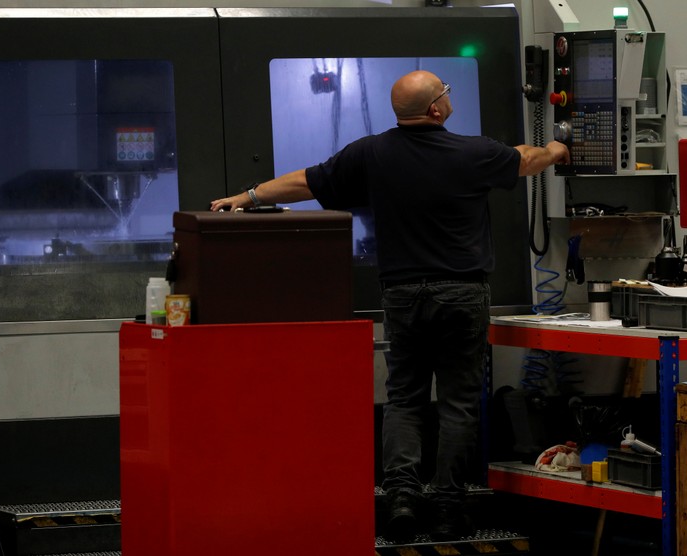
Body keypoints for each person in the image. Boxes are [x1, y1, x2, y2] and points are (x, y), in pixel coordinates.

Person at [210, 70, 569, 542]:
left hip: (401, 294)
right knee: (460, 404)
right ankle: (447, 506)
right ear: (436, 109)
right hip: (462, 293)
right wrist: (560, 148)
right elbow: (527, 159)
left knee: (405, 399)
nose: (448, 95)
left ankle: (401, 499)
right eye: (446, 90)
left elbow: (306, 182)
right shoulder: (473, 152)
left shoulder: (371, 152)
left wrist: (249, 196)